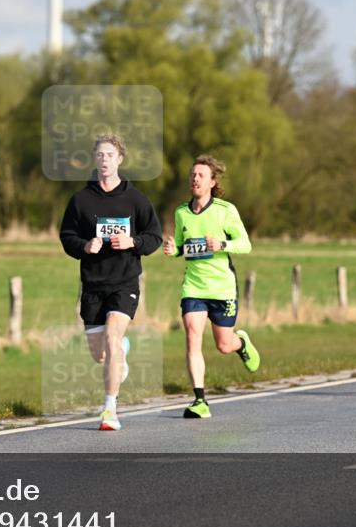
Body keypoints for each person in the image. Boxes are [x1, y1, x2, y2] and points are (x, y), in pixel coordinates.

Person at [59, 134, 163, 431]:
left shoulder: (136, 200)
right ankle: (119, 353)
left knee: (113, 338)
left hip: (124, 282)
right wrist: (84, 246)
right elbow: (67, 237)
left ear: (120, 159)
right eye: (100, 155)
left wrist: (133, 241)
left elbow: (154, 237)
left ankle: (109, 409)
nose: (104, 160)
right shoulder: (81, 200)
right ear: (95, 160)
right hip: (92, 284)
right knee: (100, 353)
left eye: (110, 155)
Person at [162, 155, 260, 418]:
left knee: (223, 345)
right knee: (193, 336)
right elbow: (184, 247)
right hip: (193, 286)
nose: (194, 179)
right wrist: (173, 250)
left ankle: (241, 343)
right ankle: (200, 400)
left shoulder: (225, 210)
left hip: (222, 288)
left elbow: (246, 244)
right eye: (192, 175)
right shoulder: (182, 212)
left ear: (212, 181)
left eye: (200, 175)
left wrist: (222, 245)